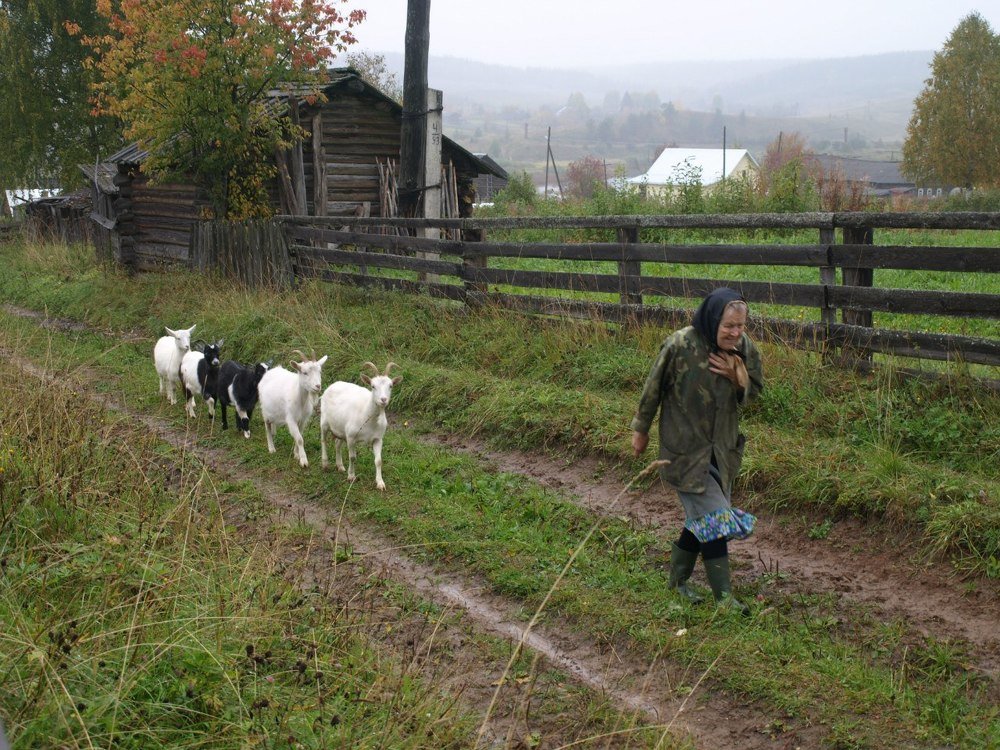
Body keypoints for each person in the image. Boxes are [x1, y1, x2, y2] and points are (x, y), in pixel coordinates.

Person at [631, 287, 764, 613]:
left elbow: (755, 393)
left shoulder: (744, 348)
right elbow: (653, 387)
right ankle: (724, 599)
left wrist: (738, 379)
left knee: (701, 518)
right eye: (728, 325)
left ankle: (677, 583)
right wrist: (641, 429)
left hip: (722, 451)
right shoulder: (680, 344)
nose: (735, 332)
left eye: (740, 325)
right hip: (685, 452)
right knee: (715, 520)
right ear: (712, 319)